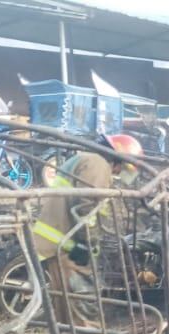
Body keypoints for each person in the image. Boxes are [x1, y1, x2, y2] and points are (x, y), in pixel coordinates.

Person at [31, 133, 143, 322]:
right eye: (122, 167)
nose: (118, 173)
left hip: (59, 239)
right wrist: (86, 242)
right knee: (80, 299)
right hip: (67, 243)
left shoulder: (86, 159)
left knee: (67, 303)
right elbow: (87, 206)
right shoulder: (98, 164)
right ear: (117, 159)